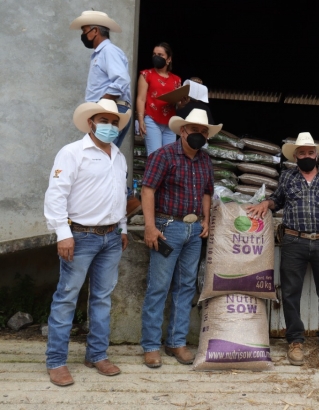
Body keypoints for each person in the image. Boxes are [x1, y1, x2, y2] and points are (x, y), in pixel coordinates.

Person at [44, 99, 131, 386]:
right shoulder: (72, 153)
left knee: (102, 299)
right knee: (67, 297)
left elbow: (120, 195)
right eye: (103, 120)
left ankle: (96, 355)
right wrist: (62, 233)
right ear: (91, 122)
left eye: (114, 122)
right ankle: (56, 361)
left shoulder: (118, 156)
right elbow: (56, 194)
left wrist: (123, 227)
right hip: (79, 236)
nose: (109, 126)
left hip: (110, 237)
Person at [246, 132, 319, 366]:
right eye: (302, 153)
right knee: (291, 293)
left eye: (310, 152)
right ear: (295, 156)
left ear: (316, 154)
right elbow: (277, 200)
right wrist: (265, 203)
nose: (306, 156)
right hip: (293, 241)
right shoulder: (288, 178)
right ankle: (295, 341)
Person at [140, 109, 219, 368]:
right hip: (167, 227)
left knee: (186, 287)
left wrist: (206, 219)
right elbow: (148, 189)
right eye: (194, 130)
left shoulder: (205, 160)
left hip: (193, 230)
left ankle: (177, 342)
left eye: (203, 132)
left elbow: (207, 192)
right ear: (182, 131)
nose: (199, 135)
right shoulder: (163, 156)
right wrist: (150, 226)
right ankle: (151, 346)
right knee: (159, 287)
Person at [70, 10, 140, 217]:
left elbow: (121, 81)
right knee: (102, 156)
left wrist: (103, 104)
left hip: (110, 111)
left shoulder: (108, 52)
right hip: (107, 111)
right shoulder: (101, 54)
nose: (83, 35)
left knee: (102, 156)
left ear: (95, 31)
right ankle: (122, 200)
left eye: (84, 31)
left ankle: (126, 200)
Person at [136, 42, 182, 156]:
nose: (156, 57)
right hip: (152, 120)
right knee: (155, 156)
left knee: (170, 158)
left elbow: (179, 105)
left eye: (160, 55)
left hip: (170, 123)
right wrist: (141, 120)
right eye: (154, 54)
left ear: (168, 59)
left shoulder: (176, 80)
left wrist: (183, 102)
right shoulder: (146, 74)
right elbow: (141, 99)